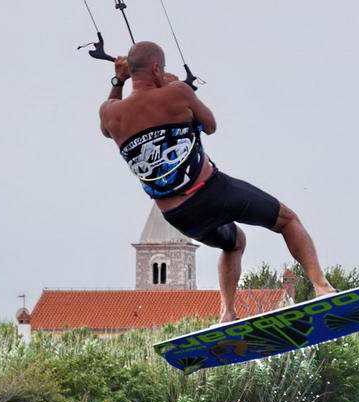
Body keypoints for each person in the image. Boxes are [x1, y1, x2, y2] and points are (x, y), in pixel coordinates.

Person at [98, 42, 336, 322]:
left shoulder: (109, 114)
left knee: (234, 243)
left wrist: (118, 81)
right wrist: (171, 87)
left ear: (129, 72)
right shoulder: (177, 93)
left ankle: (227, 314)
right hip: (212, 192)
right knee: (287, 220)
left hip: (178, 215)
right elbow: (210, 125)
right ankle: (322, 288)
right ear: (157, 68)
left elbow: (107, 124)